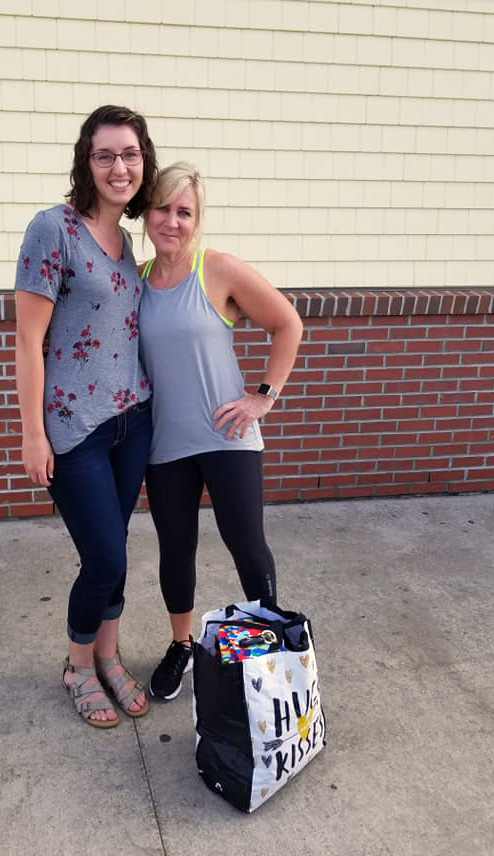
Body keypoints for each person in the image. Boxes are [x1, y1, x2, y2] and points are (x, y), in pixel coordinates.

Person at [14, 105, 158, 727]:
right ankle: (78, 666)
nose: (119, 166)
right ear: (86, 161)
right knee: (104, 556)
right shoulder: (54, 230)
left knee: (117, 547)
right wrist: (31, 434)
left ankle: (109, 653)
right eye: (105, 155)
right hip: (74, 430)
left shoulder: (128, 242)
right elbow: (26, 341)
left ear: (142, 161)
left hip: (133, 422)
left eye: (129, 154)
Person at [138, 162, 304, 700]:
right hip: (165, 444)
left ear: (197, 220)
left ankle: (277, 642)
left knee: (245, 542)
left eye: (184, 211)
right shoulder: (134, 281)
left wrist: (263, 397)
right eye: (162, 207)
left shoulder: (219, 270)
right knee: (175, 549)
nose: (172, 220)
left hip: (227, 436)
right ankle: (181, 646)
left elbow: (288, 323)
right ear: (147, 212)